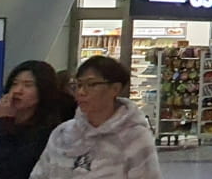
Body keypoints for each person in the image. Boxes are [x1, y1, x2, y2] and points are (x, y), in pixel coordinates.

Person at [31, 56, 159, 178]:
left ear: (115, 89)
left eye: (91, 84)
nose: (81, 92)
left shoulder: (135, 138)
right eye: (78, 85)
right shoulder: (62, 133)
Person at [0, 60, 75, 179]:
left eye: (28, 85)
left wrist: (4, 122)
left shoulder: (48, 133)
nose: (18, 91)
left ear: (43, 90)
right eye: (14, 84)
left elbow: (9, 168)